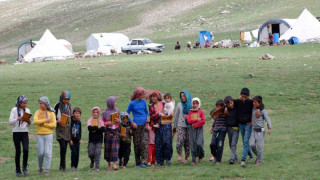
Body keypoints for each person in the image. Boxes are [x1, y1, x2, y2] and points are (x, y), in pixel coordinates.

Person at [233, 88, 264, 167]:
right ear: (240, 94)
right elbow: (228, 102)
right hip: (241, 125)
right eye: (242, 96)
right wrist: (226, 107)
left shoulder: (250, 102)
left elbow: (261, 104)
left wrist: (259, 109)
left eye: (245, 97)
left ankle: (243, 160)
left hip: (248, 124)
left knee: (246, 140)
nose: (244, 98)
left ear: (248, 96)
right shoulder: (237, 101)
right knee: (244, 141)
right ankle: (251, 155)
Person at [126, 87, 149, 168]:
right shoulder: (131, 103)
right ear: (138, 94)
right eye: (142, 94)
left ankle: (144, 162)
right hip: (136, 126)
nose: (143, 95)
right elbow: (127, 114)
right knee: (137, 145)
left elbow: (146, 112)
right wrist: (131, 122)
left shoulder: (143, 101)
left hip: (144, 125)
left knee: (144, 143)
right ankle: (138, 162)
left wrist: (147, 117)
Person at [33, 96, 56, 175]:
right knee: (40, 153)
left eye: (41, 103)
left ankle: (47, 169)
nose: (40, 105)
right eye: (39, 103)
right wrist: (45, 120)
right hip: (39, 135)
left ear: (45, 104)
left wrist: (44, 125)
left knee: (47, 153)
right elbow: (35, 121)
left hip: (48, 135)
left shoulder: (51, 113)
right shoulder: (37, 112)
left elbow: (54, 125)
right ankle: (40, 167)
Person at [9, 95, 31, 177]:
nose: (25, 105)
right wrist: (18, 118)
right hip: (16, 132)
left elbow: (29, 124)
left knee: (26, 149)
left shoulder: (27, 110)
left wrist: (28, 121)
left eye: (26, 103)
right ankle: (18, 170)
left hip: (25, 132)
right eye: (24, 103)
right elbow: (10, 122)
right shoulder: (14, 110)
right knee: (18, 151)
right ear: (19, 103)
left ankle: (24, 167)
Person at [149, 91, 173, 166]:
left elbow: (170, 111)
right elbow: (152, 116)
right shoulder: (151, 106)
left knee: (167, 142)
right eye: (152, 96)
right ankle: (160, 161)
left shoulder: (164, 103)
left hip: (166, 125)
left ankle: (168, 159)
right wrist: (159, 114)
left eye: (155, 96)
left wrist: (169, 114)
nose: (153, 98)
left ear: (158, 97)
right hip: (157, 126)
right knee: (158, 144)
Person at [250, 96, 271, 166]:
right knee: (252, 145)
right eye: (253, 102)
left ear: (260, 103)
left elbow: (267, 119)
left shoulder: (263, 111)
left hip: (260, 132)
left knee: (260, 147)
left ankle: (258, 161)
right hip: (253, 131)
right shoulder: (252, 108)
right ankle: (259, 156)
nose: (254, 104)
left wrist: (269, 128)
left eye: (255, 102)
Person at [54, 91, 72, 172]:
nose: (66, 101)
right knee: (63, 148)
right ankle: (63, 166)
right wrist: (57, 121)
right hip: (60, 130)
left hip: (67, 130)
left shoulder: (69, 106)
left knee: (65, 148)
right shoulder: (57, 106)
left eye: (68, 99)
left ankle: (61, 166)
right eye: (65, 99)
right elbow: (53, 117)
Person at [102, 96, 121, 171]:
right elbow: (103, 122)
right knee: (108, 148)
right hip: (108, 131)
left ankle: (114, 164)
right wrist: (108, 123)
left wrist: (118, 121)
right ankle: (109, 164)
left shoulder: (117, 111)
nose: (115, 103)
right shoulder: (105, 112)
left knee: (115, 148)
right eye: (114, 102)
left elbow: (119, 120)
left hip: (115, 131)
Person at [173, 90, 192, 164]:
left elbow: (195, 115)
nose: (183, 97)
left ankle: (186, 158)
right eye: (181, 96)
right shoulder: (179, 105)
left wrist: (189, 117)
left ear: (187, 96)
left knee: (188, 143)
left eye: (184, 96)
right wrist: (174, 126)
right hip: (180, 125)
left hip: (189, 126)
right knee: (179, 141)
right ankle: (180, 155)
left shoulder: (192, 104)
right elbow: (176, 116)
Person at [187, 97, 205, 165]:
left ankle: (201, 155)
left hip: (199, 129)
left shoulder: (201, 111)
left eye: (196, 103)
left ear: (199, 104)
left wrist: (196, 124)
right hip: (192, 130)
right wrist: (197, 120)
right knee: (193, 144)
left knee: (199, 143)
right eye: (193, 103)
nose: (195, 105)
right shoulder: (190, 111)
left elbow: (203, 121)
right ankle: (193, 160)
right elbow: (189, 120)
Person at [87, 107, 105, 172]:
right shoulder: (90, 120)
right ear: (92, 113)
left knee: (98, 153)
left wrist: (95, 129)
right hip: (91, 140)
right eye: (94, 112)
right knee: (90, 153)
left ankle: (97, 167)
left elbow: (103, 129)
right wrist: (97, 128)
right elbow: (89, 128)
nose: (95, 114)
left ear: (99, 113)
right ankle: (92, 160)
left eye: (97, 112)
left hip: (99, 140)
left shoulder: (100, 121)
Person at [210, 100, 227, 165]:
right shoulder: (216, 113)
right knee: (212, 144)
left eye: (219, 107)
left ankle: (218, 160)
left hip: (222, 131)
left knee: (220, 145)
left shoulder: (225, 112)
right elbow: (215, 121)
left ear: (222, 107)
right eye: (216, 107)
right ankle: (215, 156)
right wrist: (212, 128)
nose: (217, 108)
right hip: (215, 130)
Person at [224, 96, 239, 164]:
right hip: (229, 128)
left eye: (231, 102)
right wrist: (225, 109)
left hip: (236, 128)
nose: (231, 104)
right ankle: (235, 156)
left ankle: (232, 159)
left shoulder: (237, 105)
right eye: (228, 104)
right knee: (231, 143)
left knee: (233, 143)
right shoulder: (225, 108)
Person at [69, 107, 82, 171]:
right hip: (72, 140)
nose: (77, 114)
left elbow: (80, 131)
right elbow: (69, 131)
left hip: (77, 140)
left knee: (77, 153)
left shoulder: (79, 122)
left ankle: (76, 166)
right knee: (73, 153)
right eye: (76, 113)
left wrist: (80, 139)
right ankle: (72, 166)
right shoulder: (71, 121)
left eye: (78, 113)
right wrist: (70, 139)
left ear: (80, 114)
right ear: (73, 113)